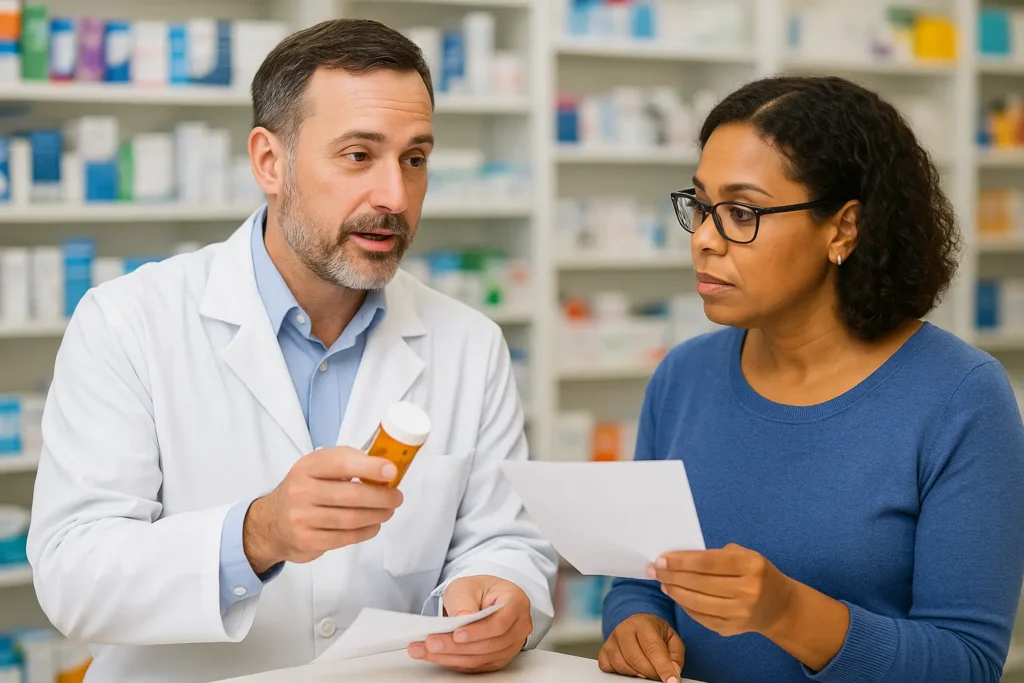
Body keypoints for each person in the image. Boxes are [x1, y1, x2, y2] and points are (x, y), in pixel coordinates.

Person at [27, 18, 556, 683]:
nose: (395, 195)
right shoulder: (127, 322)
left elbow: (502, 539)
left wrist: (496, 590)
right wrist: (256, 534)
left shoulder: (470, 344)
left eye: (414, 158)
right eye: (359, 155)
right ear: (269, 162)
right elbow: (73, 576)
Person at [599, 75, 1024, 683]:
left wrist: (787, 611)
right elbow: (642, 578)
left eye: (742, 211)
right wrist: (633, 620)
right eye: (700, 205)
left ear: (843, 229)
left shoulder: (961, 398)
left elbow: (965, 662)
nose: (704, 240)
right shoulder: (682, 378)